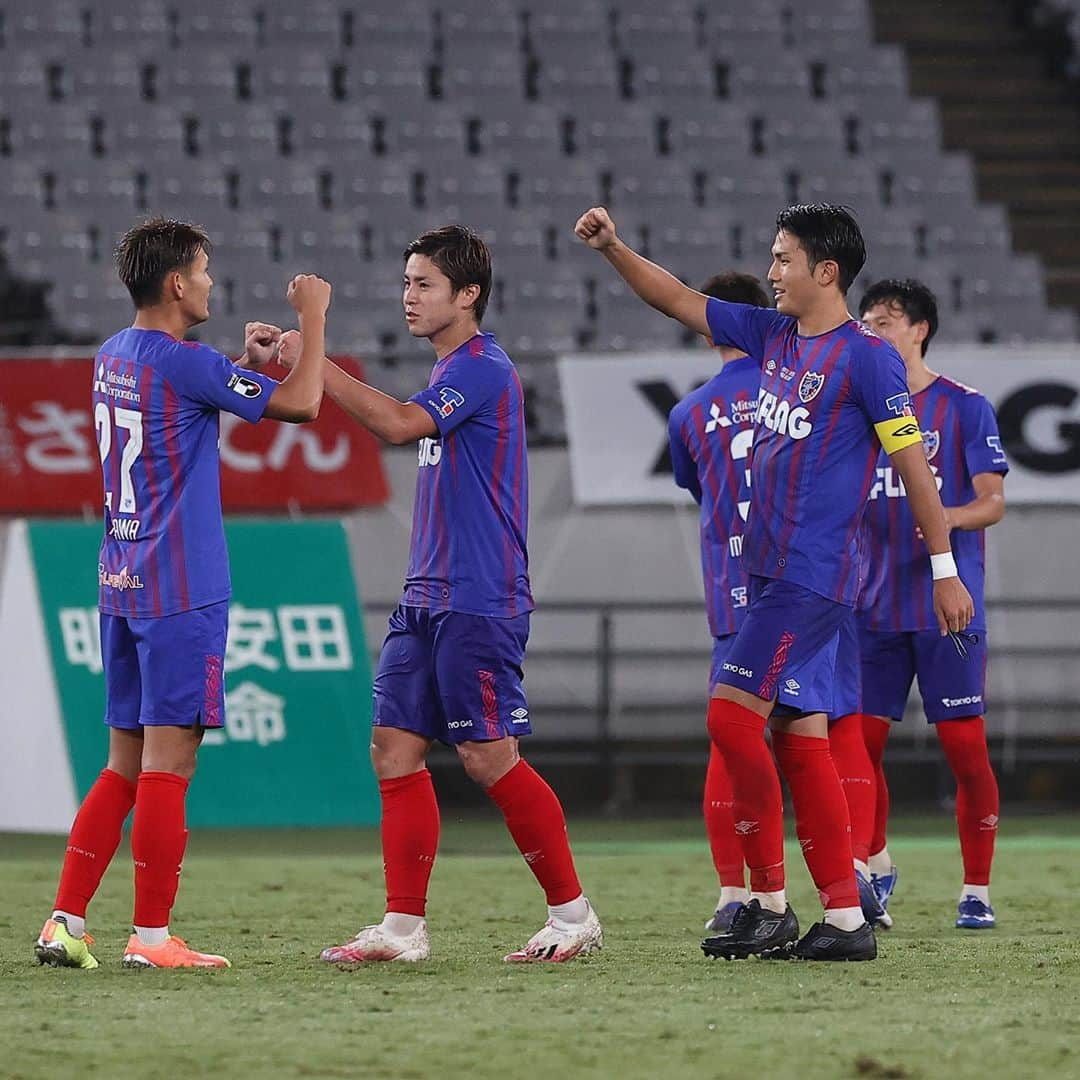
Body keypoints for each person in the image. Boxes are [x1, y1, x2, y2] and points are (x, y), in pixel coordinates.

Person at [575, 203, 974, 961]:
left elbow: (914, 469)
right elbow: (679, 298)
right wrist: (615, 249)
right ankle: (847, 922)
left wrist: (945, 570)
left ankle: (765, 901)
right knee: (799, 742)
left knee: (730, 721)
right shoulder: (774, 336)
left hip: (810, 580)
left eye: (784, 258)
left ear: (826, 272)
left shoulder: (866, 358)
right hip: (768, 578)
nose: (772, 271)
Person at [279, 224, 601, 964]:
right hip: (426, 596)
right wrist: (300, 359)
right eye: (406, 282)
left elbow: (395, 426)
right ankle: (402, 929)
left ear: (468, 294)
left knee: (490, 758)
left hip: (479, 596)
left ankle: (573, 914)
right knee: (393, 750)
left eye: (424, 283)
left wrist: (314, 347)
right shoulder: (450, 370)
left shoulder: (484, 368)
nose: (409, 297)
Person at [34, 217, 330, 970]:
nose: (209, 283)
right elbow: (301, 406)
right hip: (180, 588)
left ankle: (63, 922)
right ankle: (154, 939)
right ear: (175, 284)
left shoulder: (117, 353)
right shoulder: (186, 361)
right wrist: (311, 318)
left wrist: (242, 365)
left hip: (122, 580)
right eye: (201, 271)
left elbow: (179, 405)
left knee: (123, 765)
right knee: (172, 765)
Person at [852, 278, 1008, 929]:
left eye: (885, 320)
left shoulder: (964, 408)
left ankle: (976, 888)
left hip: (949, 608)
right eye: (866, 322)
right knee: (858, 750)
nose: (873, 331)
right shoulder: (856, 410)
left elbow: (992, 502)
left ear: (919, 329)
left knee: (966, 751)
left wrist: (943, 516)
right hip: (871, 606)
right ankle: (874, 866)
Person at [667, 272, 767, 933]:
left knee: (729, 744)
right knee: (826, 739)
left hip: (734, 593)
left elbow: (698, 488)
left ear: (708, 329)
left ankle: (734, 893)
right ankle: (850, 887)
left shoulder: (687, 412)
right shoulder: (800, 392)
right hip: (810, 589)